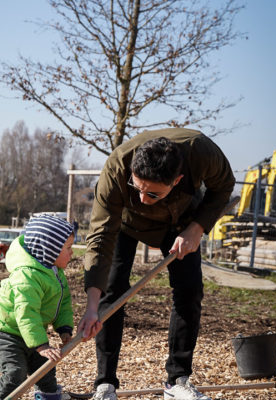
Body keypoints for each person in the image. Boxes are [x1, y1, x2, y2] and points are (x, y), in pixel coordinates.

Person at [77, 128, 235, 400]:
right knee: (111, 289)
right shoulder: (116, 169)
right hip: (125, 225)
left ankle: (177, 382)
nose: (142, 198)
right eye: (137, 188)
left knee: (189, 291)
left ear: (178, 180)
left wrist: (197, 228)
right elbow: (101, 238)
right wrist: (92, 305)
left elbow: (224, 185)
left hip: (181, 222)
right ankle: (105, 385)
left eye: (152, 194)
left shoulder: (202, 152)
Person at [0, 214, 75, 400]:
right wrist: (41, 345)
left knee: (46, 371)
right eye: (68, 248)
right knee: (15, 374)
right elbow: (27, 314)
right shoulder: (27, 277)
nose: (72, 253)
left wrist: (64, 328)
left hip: (32, 332)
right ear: (50, 250)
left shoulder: (54, 271)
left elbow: (63, 301)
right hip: (6, 333)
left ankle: (49, 396)